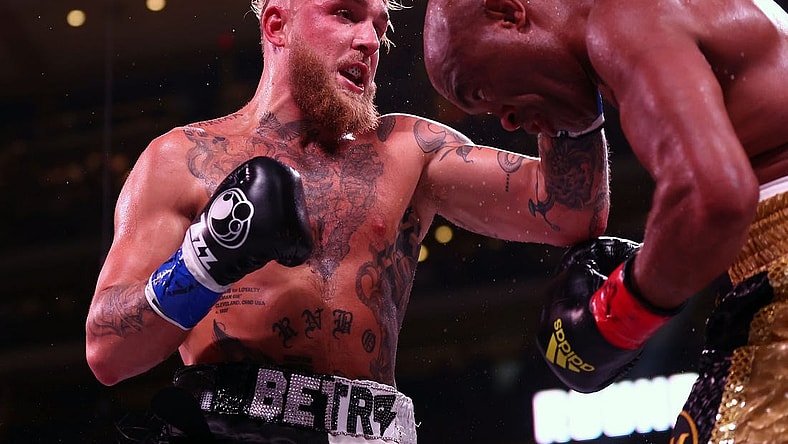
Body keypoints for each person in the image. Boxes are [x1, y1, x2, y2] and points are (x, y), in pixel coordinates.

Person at [84, 0, 611, 441]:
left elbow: (569, 211)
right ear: (276, 23)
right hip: (228, 427)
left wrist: (566, 99)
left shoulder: (409, 150)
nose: (370, 40)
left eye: (379, 25)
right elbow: (107, 351)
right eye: (345, 14)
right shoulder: (182, 159)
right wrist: (208, 258)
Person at [422, 0, 788, 441]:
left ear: (509, 13)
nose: (508, 119)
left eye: (478, 92)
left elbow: (713, 196)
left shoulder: (625, 16)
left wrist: (615, 314)